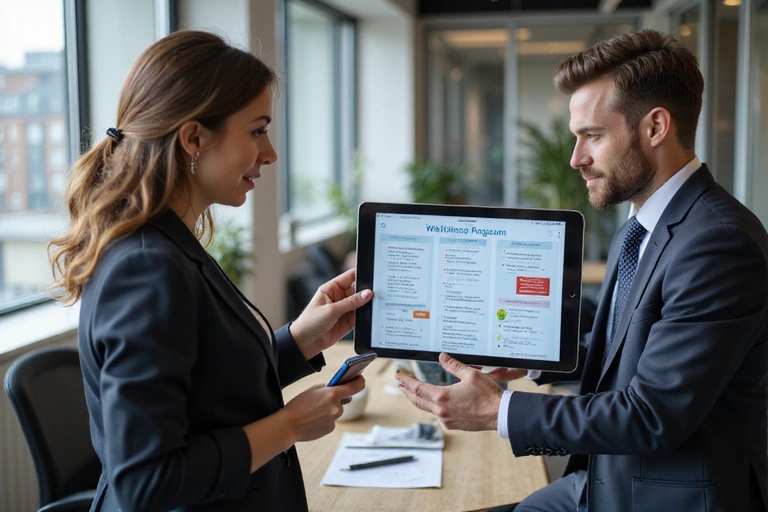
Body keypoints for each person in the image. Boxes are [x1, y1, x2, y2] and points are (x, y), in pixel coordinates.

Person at [396, 29, 768, 512]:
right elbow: (624, 349)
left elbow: (653, 414)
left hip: (665, 498)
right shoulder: (642, 223)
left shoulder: (719, 243)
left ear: (655, 127)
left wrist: (499, 409)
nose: (576, 159)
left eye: (592, 136)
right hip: (604, 480)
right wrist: (534, 357)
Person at [48, 30, 372, 512]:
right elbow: (146, 480)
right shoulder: (145, 267)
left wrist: (303, 338)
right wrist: (289, 426)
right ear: (194, 137)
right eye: (257, 130)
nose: (271, 153)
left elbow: (208, 387)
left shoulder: (169, 243)